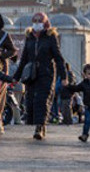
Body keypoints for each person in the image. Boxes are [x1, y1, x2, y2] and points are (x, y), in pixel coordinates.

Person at [11, 11, 68, 140]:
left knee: (42, 100)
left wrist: (64, 76)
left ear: (45, 22)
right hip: (31, 74)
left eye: (39, 21)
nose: (37, 24)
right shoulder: (29, 37)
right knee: (30, 100)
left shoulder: (50, 37)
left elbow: (58, 58)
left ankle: (40, 127)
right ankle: (37, 123)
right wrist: (16, 77)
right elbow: (24, 58)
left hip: (46, 73)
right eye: (35, 21)